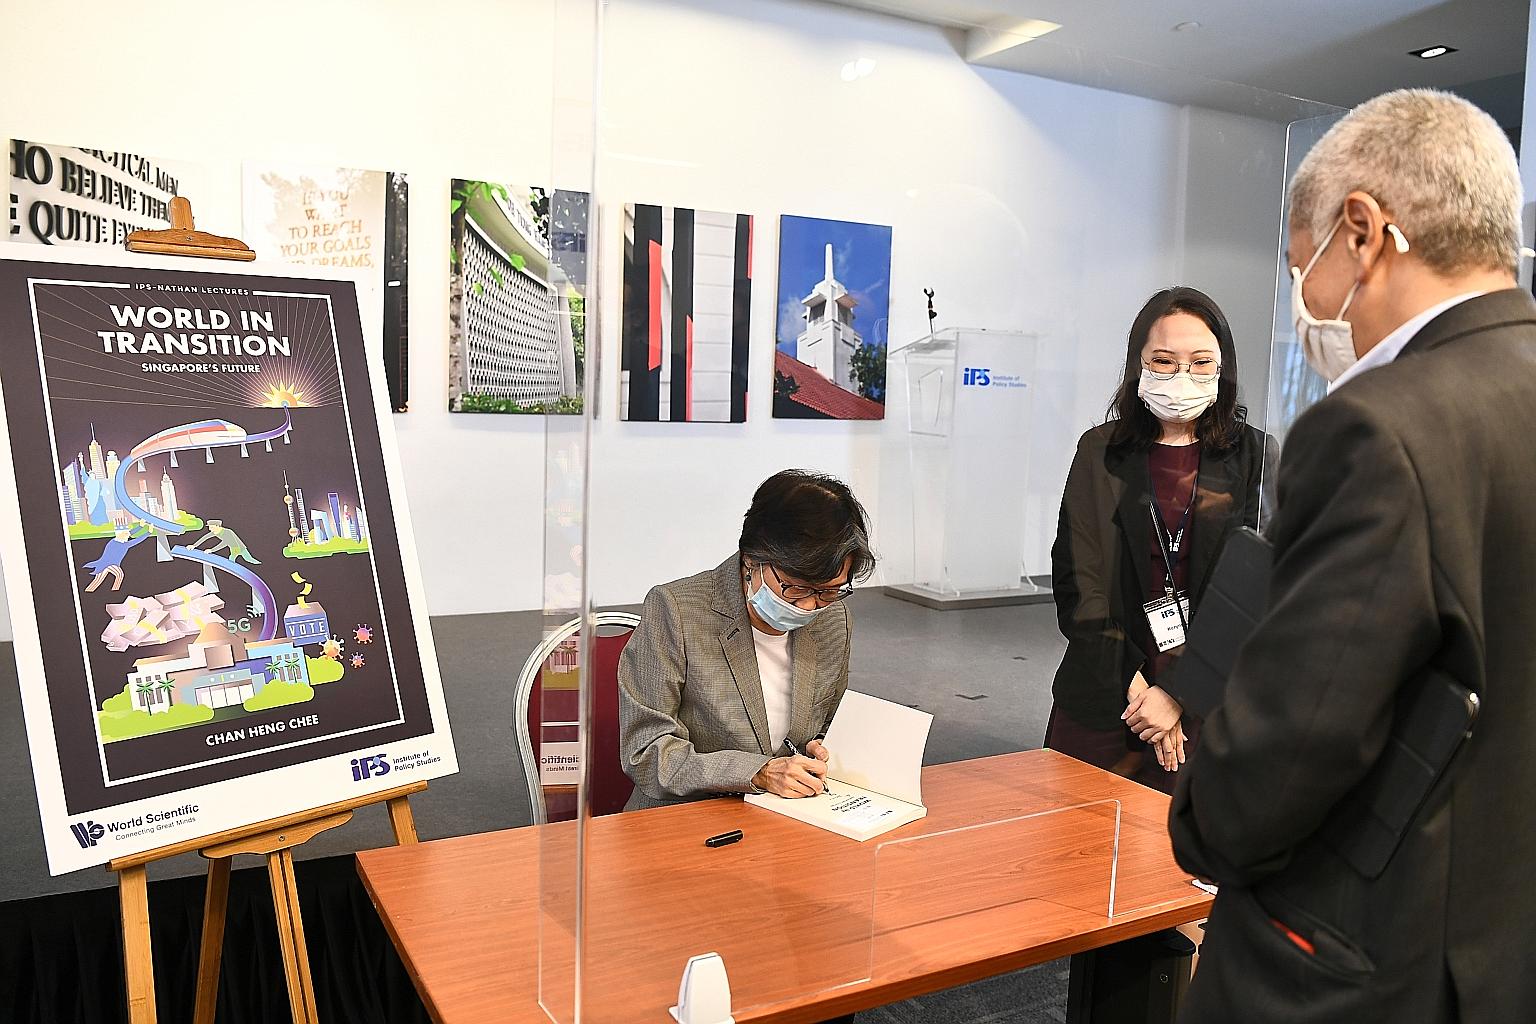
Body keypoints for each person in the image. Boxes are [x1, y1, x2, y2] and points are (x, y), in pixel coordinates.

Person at [1170, 89, 1536, 1022]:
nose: (1310, 308)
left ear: (1364, 233)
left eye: (1306, 270)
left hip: (1356, 964)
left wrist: (1202, 820)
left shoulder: (1378, 431)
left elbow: (1293, 746)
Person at [1046, 287, 1270, 793]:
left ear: (1222, 367)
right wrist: (1136, 686)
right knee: (1076, 854)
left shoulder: (1255, 456)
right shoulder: (1100, 450)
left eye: (1200, 362)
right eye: (1164, 362)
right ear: (1138, 364)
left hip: (1207, 702)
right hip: (1106, 691)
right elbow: (1078, 583)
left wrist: (1176, 695)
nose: (1181, 377)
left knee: (1180, 863)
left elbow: (1257, 596)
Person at [619, 469, 875, 810]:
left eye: (828, 591)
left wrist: (820, 749)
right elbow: (647, 752)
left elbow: (828, 721)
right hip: (691, 815)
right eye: (796, 587)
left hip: (790, 814)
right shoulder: (677, 611)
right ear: (752, 559)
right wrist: (758, 773)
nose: (811, 605)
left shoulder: (833, 619)